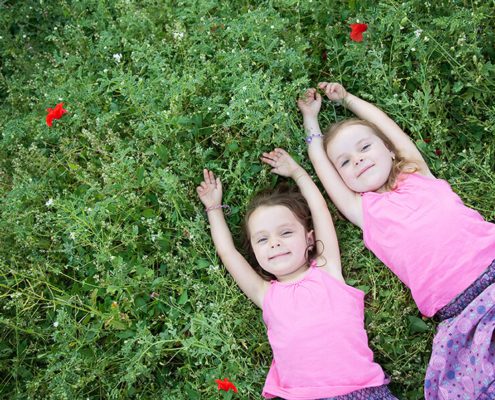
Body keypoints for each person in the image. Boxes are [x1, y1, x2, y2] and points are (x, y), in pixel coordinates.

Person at [297, 82, 495, 399]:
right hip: (462, 315)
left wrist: (347, 99)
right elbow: (321, 164)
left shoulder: (417, 174)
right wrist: (311, 119)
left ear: (389, 148)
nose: (358, 160)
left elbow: (387, 126)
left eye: (364, 147)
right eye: (345, 162)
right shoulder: (362, 210)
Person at [197, 148, 396, 400]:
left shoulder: (328, 270)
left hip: (362, 392)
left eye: (286, 233)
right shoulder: (264, 294)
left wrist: (298, 173)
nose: (275, 243)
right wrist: (214, 208)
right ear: (254, 251)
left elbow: (320, 209)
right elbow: (228, 253)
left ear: (310, 239)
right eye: (262, 239)